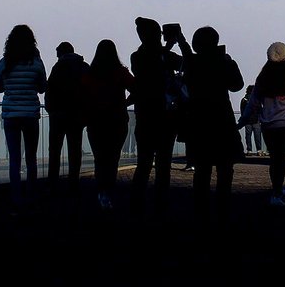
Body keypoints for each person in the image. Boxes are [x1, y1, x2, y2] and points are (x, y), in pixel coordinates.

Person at [176, 25, 243, 222]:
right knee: (225, 168)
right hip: (222, 120)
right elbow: (236, 84)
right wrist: (230, 63)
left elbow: (187, 55)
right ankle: (223, 208)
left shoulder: (192, 62)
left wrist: (180, 40)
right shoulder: (223, 61)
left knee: (202, 170)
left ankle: (201, 211)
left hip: (199, 121)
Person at [240, 42, 285, 207]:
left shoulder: (262, 79)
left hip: (267, 125)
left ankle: (276, 189)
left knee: (274, 159)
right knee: (281, 159)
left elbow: (253, 104)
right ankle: (277, 191)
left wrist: (243, 120)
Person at [129, 17, 182, 217]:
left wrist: (167, 47)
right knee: (163, 164)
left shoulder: (137, 56)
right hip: (166, 117)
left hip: (145, 116)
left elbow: (146, 70)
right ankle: (161, 203)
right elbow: (187, 62)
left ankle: (137, 202)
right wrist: (174, 43)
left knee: (144, 163)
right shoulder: (164, 56)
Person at [0, 24, 47, 207]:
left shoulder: (5, 62)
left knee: (14, 159)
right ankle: (32, 194)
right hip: (31, 114)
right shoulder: (36, 62)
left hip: (11, 115)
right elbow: (42, 87)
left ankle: (16, 197)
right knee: (31, 158)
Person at [82, 39, 134, 210]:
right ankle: (109, 191)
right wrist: (124, 104)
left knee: (100, 158)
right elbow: (137, 89)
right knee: (113, 158)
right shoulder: (120, 72)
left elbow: (83, 96)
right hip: (117, 120)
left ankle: (101, 191)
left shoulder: (90, 74)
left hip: (96, 121)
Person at [45, 41, 89, 197]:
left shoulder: (58, 68)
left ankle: (53, 183)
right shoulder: (84, 67)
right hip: (77, 115)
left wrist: (51, 110)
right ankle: (73, 182)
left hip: (58, 115)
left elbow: (49, 91)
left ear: (61, 53)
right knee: (75, 150)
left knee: (55, 150)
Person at [239, 85, 264, 156]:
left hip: (247, 121)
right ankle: (259, 150)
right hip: (256, 120)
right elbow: (260, 110)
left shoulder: (244, 99)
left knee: (248, 136)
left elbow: (242, 111)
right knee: (257, 136)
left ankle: (249, 150)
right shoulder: (257, 99)